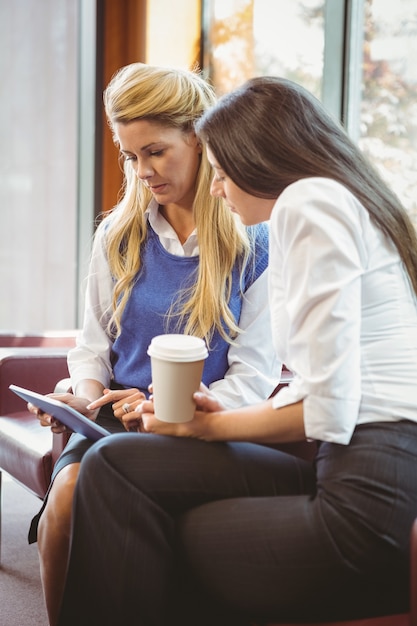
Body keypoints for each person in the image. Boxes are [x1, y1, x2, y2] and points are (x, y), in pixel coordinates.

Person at [56, 75, 417, 626]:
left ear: (258, 160)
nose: (217, 189)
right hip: (358, 467)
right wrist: (222, 413)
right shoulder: (337, 199)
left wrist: (204, 427)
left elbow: (330, 406)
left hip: (364, 497)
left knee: (156, 517)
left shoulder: (306, 202)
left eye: (221, 172)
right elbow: (326, 385)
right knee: (117, 467)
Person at [29, 65, 280, 626]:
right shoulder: (118, 234)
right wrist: (84, 396)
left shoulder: (257, 242)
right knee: (65, 498)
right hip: (114, 418)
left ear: (200, 138)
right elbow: (93, 346)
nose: (142, 171)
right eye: (129, 156)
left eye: (156, 152)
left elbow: (254, 373)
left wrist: (181, 412)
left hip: (202, 425)